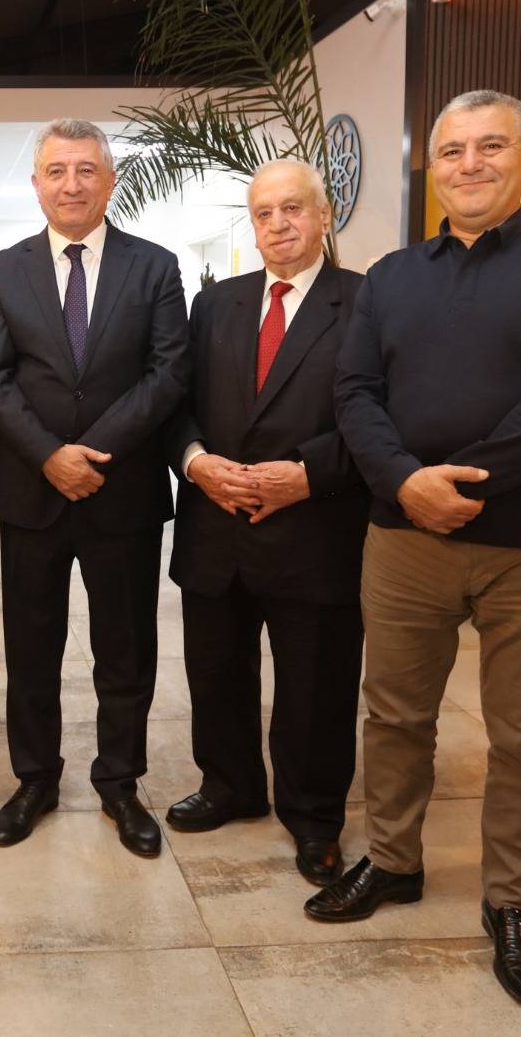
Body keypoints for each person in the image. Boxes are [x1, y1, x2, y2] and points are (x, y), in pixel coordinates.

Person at [320, 90, 521, 1010]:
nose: (470, 164)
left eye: (491, 146)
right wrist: (404, 481)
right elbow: (353, 391)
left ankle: (510, 902)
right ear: (435, 168)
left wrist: (463, 481)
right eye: (453, 149)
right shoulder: (390, 277)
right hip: (405, 538)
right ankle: (393, 861)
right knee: (394, 714)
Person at [0, 118, 188, 857]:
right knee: (31, 649)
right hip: (33, 494)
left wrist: (92, 454)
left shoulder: (154, 267)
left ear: (110, 181)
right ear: (36, 185)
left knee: (125, 649)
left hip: (122, 493)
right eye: (57, 171)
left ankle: (120, 783)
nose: (72, 184)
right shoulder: (3, 271)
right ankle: (34, 780)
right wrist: (49, 456)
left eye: (86, 170)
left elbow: (168, 373)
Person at [165, 159, 368, 886]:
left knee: (315, 686)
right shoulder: (214, 304)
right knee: (215, 671)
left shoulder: (366, 302)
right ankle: (230, 785)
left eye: (292, 209)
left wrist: (308, 474)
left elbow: (384, 415)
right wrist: (195, 461)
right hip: (216, 524)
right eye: (263, 213)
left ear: (324, 215)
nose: (278, 225)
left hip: (316, 529)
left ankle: (313, 817)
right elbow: (174, 402)